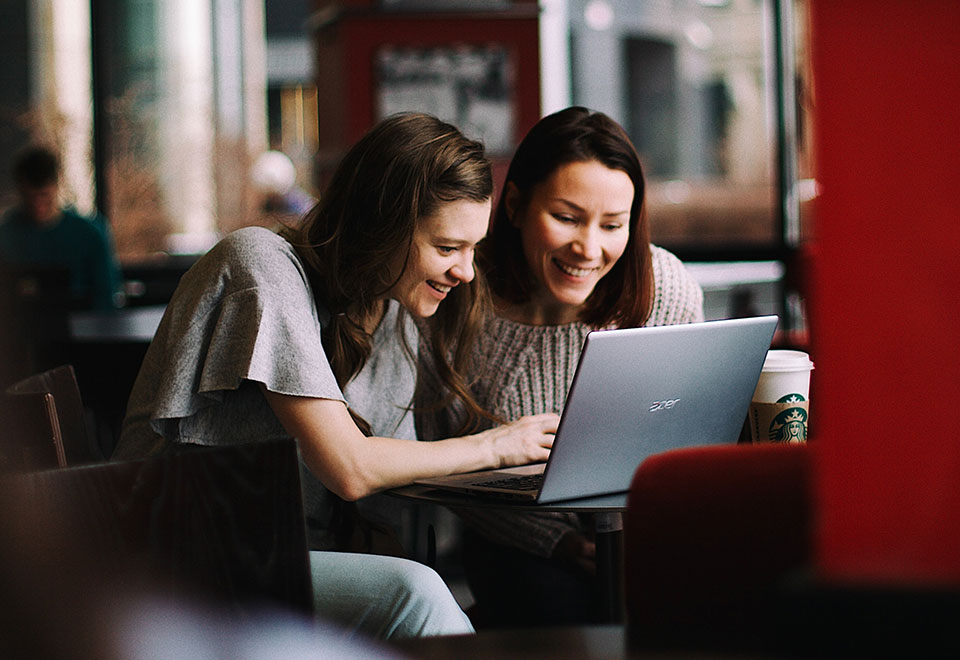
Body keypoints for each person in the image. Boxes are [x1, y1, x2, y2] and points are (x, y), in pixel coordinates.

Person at [111, 112, 558, 639]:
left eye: (472, 249)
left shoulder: (391, 312)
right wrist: (495, 447)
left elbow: (395, 468)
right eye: (446, 248)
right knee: (416, 594)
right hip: (174, 560)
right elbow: (351, 469)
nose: (465, 271)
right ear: (382, 226)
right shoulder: (261, 265)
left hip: (277, 555)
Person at [418, 106, 704, 627]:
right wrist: (559, 543)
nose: (588, 248)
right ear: (514, 205)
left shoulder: (664, 286)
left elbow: (693, 433)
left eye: (612, 225)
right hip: (518, 545)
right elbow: (442, 464)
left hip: (651, 534)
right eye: (567, 218)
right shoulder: (455, 299)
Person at [0, 146, 123, 310]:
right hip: (20, 324)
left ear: (56, 186)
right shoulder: (5, 235)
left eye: (44, 196)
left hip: (82, 323)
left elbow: (106, 298)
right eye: (30, 198)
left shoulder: (90, 234)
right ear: (20, 191)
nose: (38, 205)